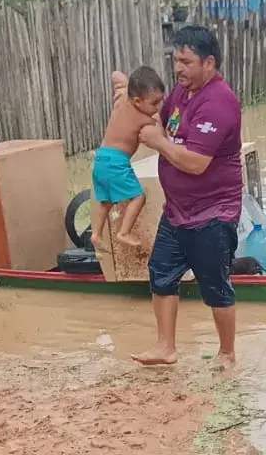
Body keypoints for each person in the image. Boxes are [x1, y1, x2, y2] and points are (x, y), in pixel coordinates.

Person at [132, 25, 242, 369]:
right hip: (177, 209)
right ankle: (166, 347)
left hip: (213, 213)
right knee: (161, 274)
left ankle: (226, 353)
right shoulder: (181, 94)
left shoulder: (220, 102)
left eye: (186, 61)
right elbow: (162, 126)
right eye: (175, 60)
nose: (178, 69)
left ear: (209, 63)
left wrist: (159, 143)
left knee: (215, 286)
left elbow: (195, 163)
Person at [90, 66, 166, 249]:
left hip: (100, 159)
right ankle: (124, 232)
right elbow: (160, 131)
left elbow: (115, 74)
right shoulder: (143, 118)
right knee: (138, 197)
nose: (159, 107)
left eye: (161, 101)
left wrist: (123, 86)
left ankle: (96, 234)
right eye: (155, 103)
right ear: (138, 101)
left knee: (106, 201)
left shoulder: (121, 100)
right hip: (117, 162)